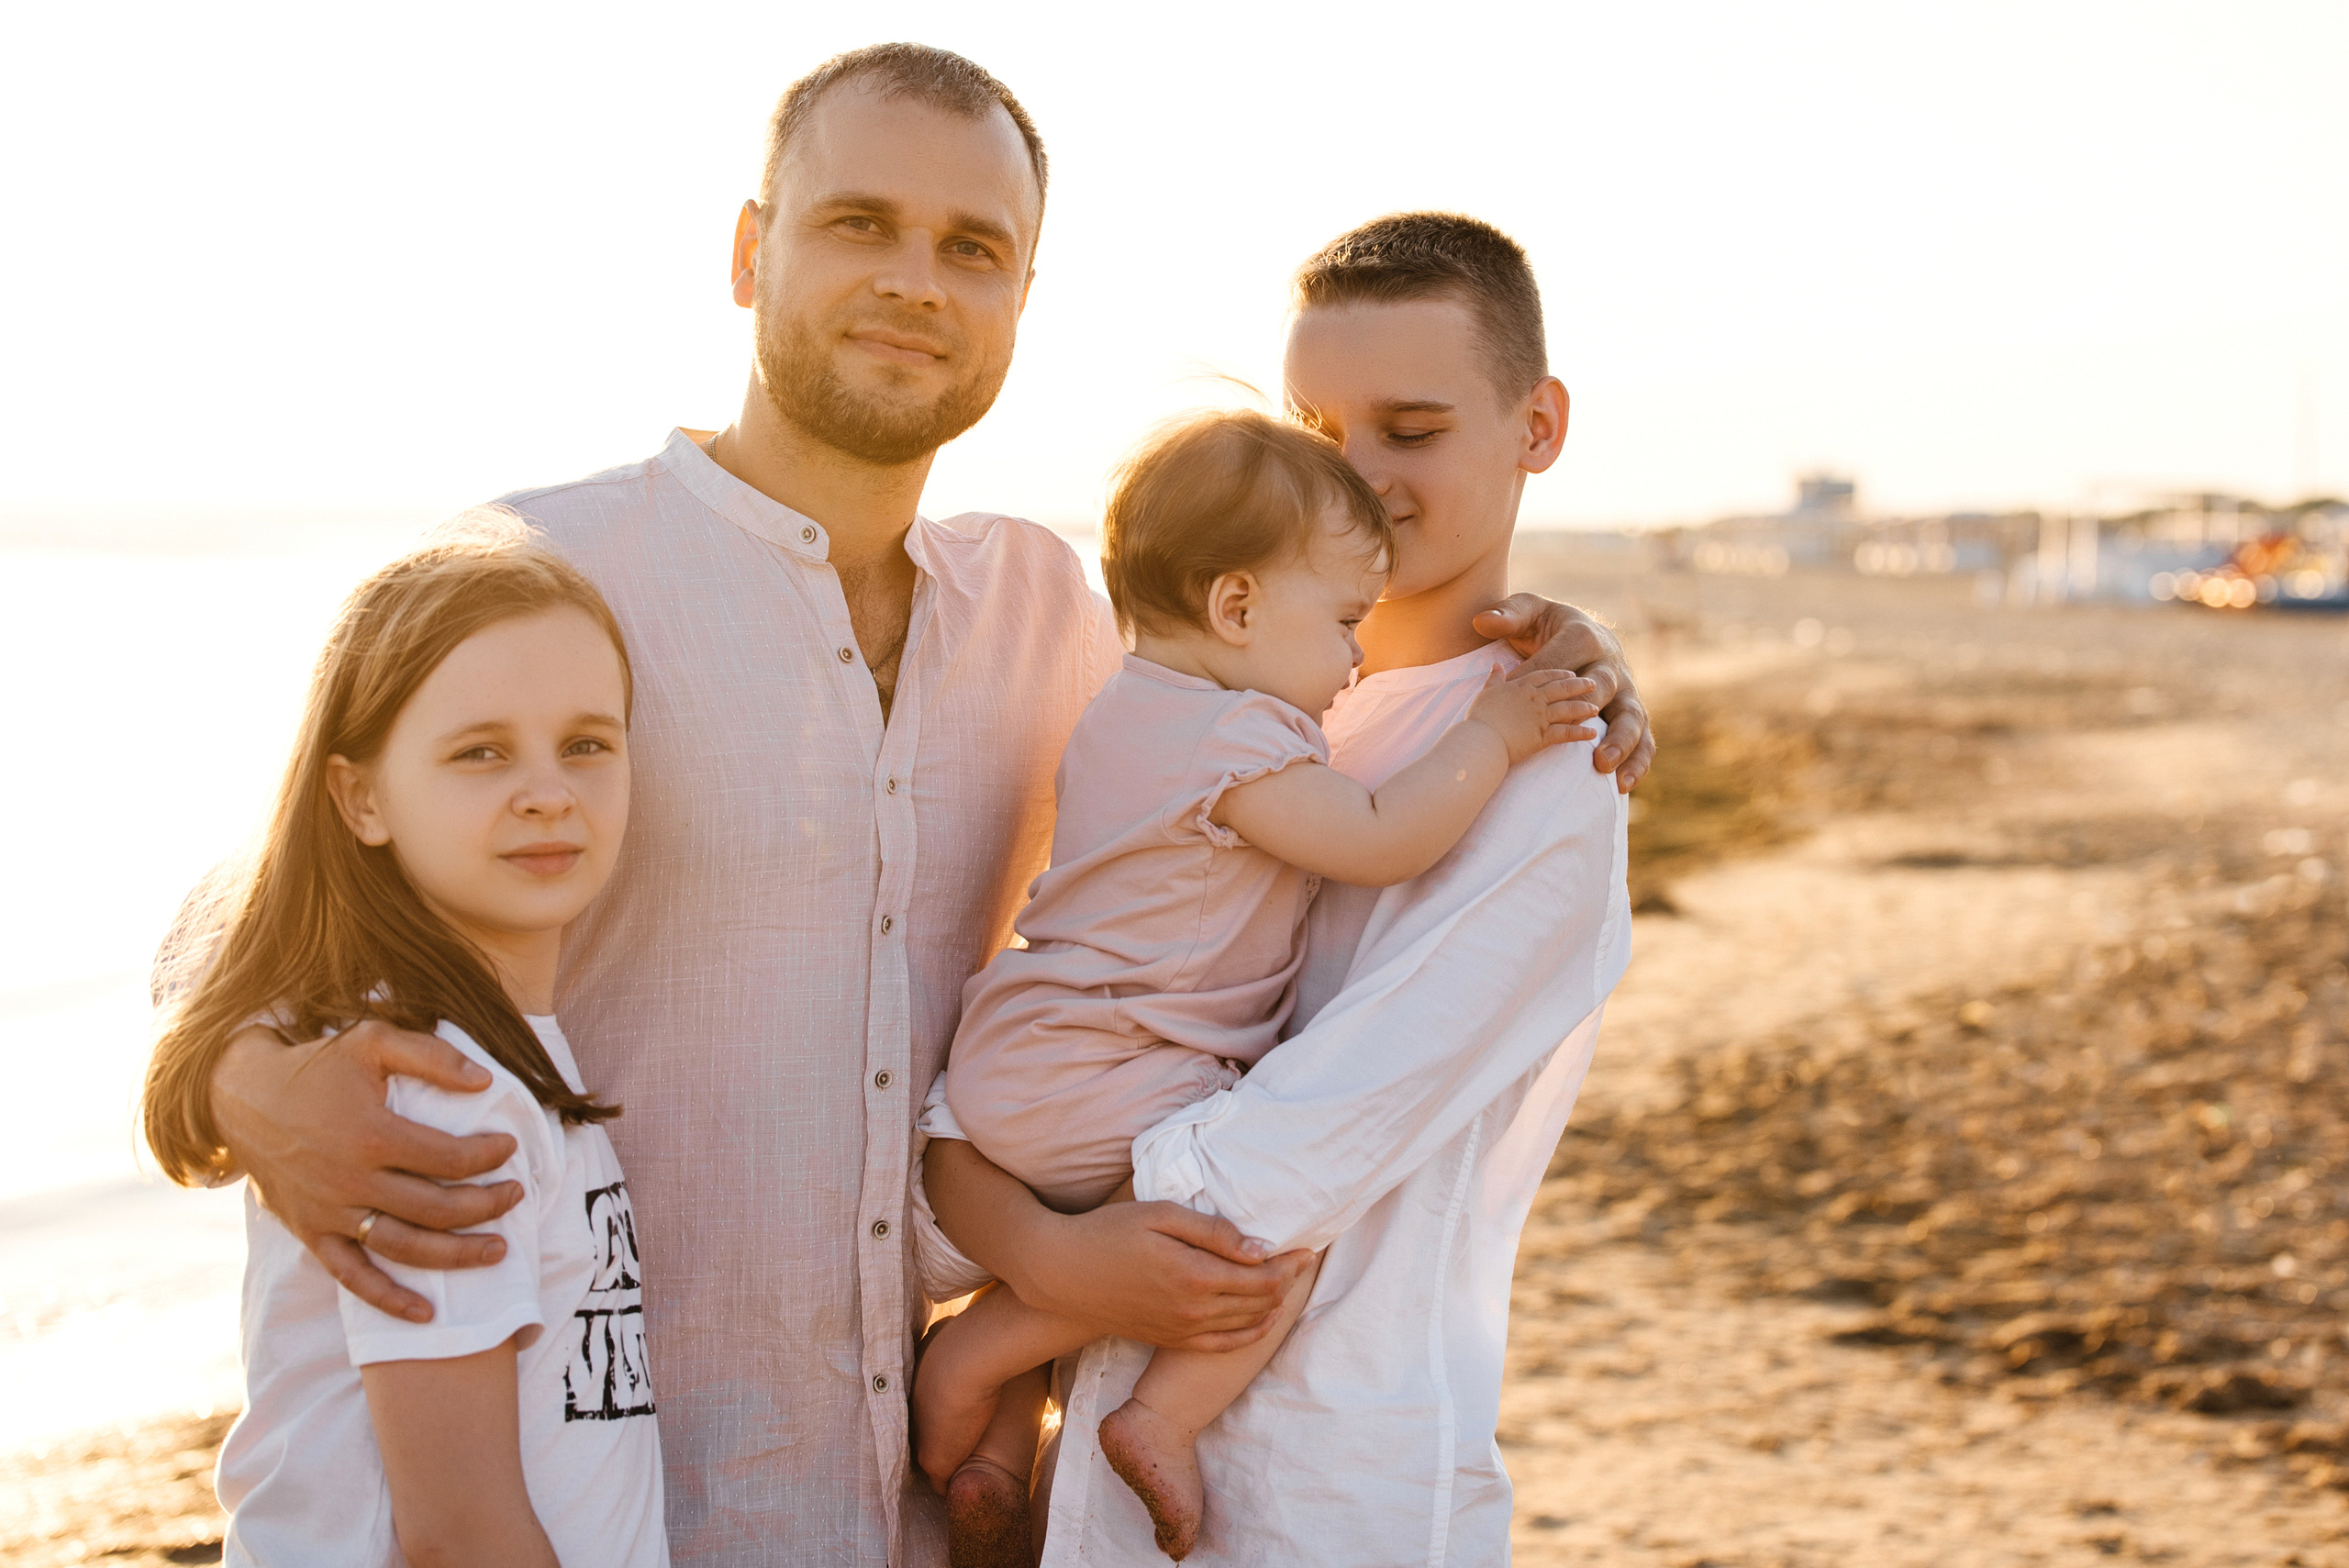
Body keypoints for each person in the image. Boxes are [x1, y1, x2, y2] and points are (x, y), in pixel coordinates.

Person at [188, 47, 1653, 1566]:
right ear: (752, 251)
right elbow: (250, 912)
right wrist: (251, 1086)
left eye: (973, 249)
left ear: (1024, 297)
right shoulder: (542, 569)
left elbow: (1279, 699)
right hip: (589, 1500)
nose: (915, 281)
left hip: (907, 1509)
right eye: (858, 224)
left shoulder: (1052, 616)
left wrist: (1560, 652)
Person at [924, 212, 1630, 1565]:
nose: (1354, 475)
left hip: (1316, 1483)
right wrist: (991, 1202)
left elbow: (1270, 1166)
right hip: (1090, 1461)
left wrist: (992, 1232)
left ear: (1537, 425)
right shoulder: (1253, 706)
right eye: (1319, 427)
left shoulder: (1548, 780)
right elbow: (1053, 978)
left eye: (1409, 430)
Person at [142, 525, 666, 1567]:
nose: (547, 790)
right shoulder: (437, 1087)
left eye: (586, 743)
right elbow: (460, 1532)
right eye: (480, 751)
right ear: (361, 797)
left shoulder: (496, 1053)